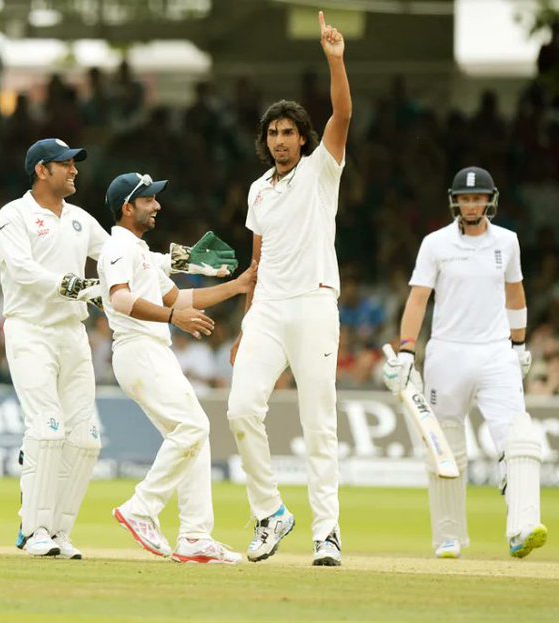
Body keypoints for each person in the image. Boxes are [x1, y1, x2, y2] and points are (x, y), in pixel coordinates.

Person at [225, 12, 351, 567]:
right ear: (266, 140)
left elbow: (343, 112)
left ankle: (327, 534)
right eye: (273, 134)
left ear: (304, 138)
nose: (280, 141)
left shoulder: (323, 170)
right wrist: (245, 325)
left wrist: (334, 59)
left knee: (317, 423)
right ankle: (270, 513)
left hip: (315, 303)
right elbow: (257, 264)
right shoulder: (257, 190)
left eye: (289, 133)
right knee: (239, 409)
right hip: (269, 310)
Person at [383, 166, 547, 559]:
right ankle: (448, 537)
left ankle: (522, 527)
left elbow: (515, 294)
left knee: (519, 439)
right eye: (465, 198)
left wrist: (519, 346)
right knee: (446, 446)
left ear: (490, 200)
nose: (472, 204)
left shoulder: (507, 242)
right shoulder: (435, 244)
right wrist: (407, 350)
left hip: (495, 352)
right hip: (447, 353)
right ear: (455, 200)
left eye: (478, 198)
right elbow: (418, 299)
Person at [99, 172, 253, 564]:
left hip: (152, 351)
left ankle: (195, 537)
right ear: (127, 207)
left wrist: (236, 286)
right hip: (138, 350)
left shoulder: (140, 253)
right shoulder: (117, 247)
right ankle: (141, 507)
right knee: (193, 428)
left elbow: (181, 296)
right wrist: (172, 317)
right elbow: (119, 299)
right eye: (149, 200)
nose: (158, 206)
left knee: (194, 436)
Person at [0, 138, 105, 559]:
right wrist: (72, 285)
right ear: (42, 170)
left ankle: (59, 531)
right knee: (47, 429)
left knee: (87, 439)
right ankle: (35, 528)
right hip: (30, 330)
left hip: (71, 334)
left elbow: (118, 255)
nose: (74, 170)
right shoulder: (14, 214)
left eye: (75, 163)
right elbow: (21, 269)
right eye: (66, 164)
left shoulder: (79, 218)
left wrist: (177, 261)